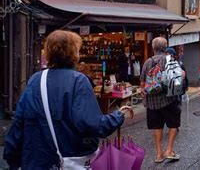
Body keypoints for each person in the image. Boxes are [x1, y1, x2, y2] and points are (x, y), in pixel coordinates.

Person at [3, 30, 132, 169]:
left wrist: (13, 159)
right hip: (68, 160)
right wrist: (118, 116)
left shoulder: (36, 80)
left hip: (35, 162)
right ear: (74, 53)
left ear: (48, 52)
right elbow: (93, 125)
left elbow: (18, 124)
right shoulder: (78, 81)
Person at [141, 37, 182, 163]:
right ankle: (169, 150)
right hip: (169, 99)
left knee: (157, 127)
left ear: (153, 48)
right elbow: (179, 78)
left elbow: (142, 82)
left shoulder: (147, 62)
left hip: (152, 102)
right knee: (173, 124)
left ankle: (159, 154)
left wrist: (145, 95)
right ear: (165, 48)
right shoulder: (170, 60)